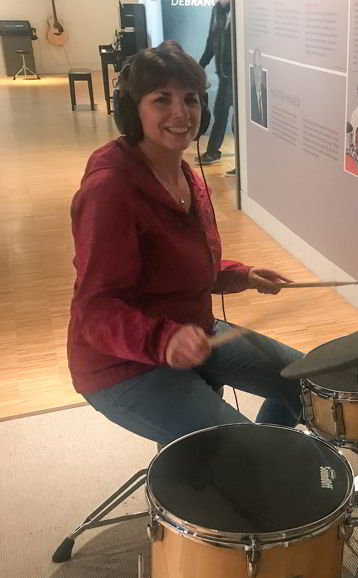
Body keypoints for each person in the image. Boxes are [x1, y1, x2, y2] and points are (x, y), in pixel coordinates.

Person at [68, 41, 303, 445]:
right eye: (162, 100)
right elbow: (95, 310)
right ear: (133, 111)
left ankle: (252, 464)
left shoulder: (188, 176)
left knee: (309, 381)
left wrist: (241, 275)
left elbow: (182, 267)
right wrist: (164, 340)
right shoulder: (109, 190)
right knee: (249, 450)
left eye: (190, 99)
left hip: (193, 331)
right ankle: (245, 467)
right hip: (120, 363)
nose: (181, 113)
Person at [195, 0, 233, 165]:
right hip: (224, 76)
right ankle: (212, 153)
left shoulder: (241, 10)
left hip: (238, 76)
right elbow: (212, 40)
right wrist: (201, 64)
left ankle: (243, 163)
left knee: (236, 121)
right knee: (220, 113)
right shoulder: (217, 10)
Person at [250, 48, 268, 128]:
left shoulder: (266, 93)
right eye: (255, 67)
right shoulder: (249, 94)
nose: (257, 72)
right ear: (253, 68)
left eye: (260, 67)